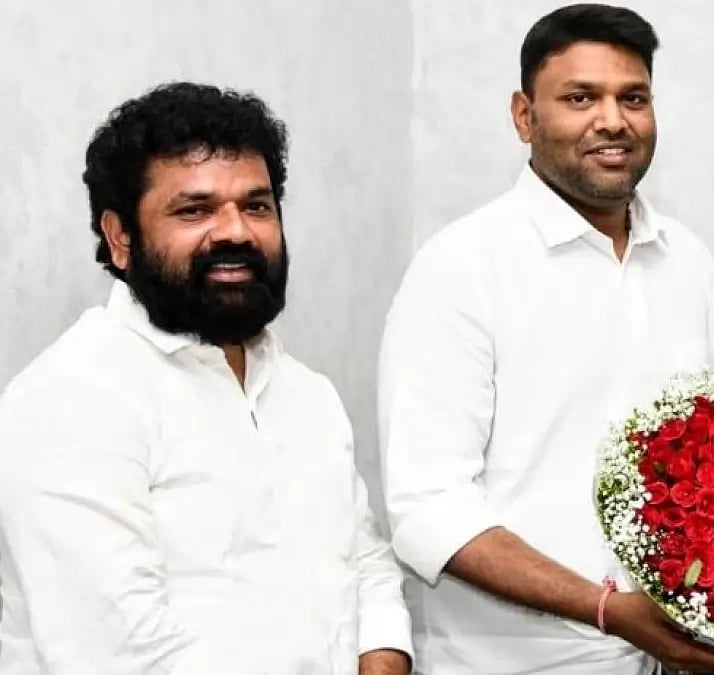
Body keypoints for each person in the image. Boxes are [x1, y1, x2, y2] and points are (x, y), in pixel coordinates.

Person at [0, 82, 413, 675]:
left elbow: (367, 566)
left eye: (257, 205)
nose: (237, 232)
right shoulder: (71, 398)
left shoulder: (307, 394)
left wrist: (382, 658)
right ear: (120, 237)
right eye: (194, 210)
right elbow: (120, 654)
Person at [377, 4, 714, 674]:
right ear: (524, 116)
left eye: (633, 97)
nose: (612, 120)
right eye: (580, 98)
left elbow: (700, 472)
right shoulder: (460, 268)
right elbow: (428, 508)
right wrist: (605, 608)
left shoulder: (689, 262)